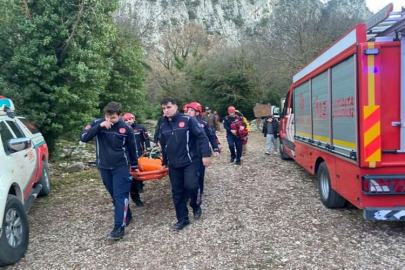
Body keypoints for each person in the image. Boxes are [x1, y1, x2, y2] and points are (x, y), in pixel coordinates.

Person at [80, 102, 138, 240]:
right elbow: (83, 138)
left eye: (113, 118)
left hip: (121, 167)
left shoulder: (126, 128)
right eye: (107, 117)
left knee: (120, 196)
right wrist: (99, 127)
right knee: (114, 195)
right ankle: (126, 213)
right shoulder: (97, 123)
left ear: (120, 116)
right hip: (104, 167)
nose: (109, 120)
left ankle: (119, 228)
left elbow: (132, 148)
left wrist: (134, 166)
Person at [159, 98, 211, 231]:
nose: (166, 110)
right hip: (173, 164)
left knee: (192, 186)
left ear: (176, 107)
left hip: (190, 161)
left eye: (169, 107)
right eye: (164, 108)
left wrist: (205, 155)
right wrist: (165, 162)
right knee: (177, 192)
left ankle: (195, 204)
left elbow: (201, 137)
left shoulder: (188, 120)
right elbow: (164, 145)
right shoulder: (162, 124)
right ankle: (182, 219)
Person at [183, 102, 220, 208]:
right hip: (186, 154)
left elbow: (211, 136)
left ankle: (198, 194)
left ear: (197, 112)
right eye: (187, 110)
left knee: (199, 175)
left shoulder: (203, 124)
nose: (188, 112)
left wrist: (216, 148)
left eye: (191, 110)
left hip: (199, 153)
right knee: (186, 176)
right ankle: (187, 194)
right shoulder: (182, 123)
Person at [122, 112, 151, 207]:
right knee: (131, 178)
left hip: (140, 154)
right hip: (128, 157)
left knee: (141, 171)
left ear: (134, 119)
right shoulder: (123, 129)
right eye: (126, 120)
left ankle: (140, 185)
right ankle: (136, 198)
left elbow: (146, 139)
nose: (128, 121)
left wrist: (148, 149)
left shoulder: (141, 128)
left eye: (130, 119)